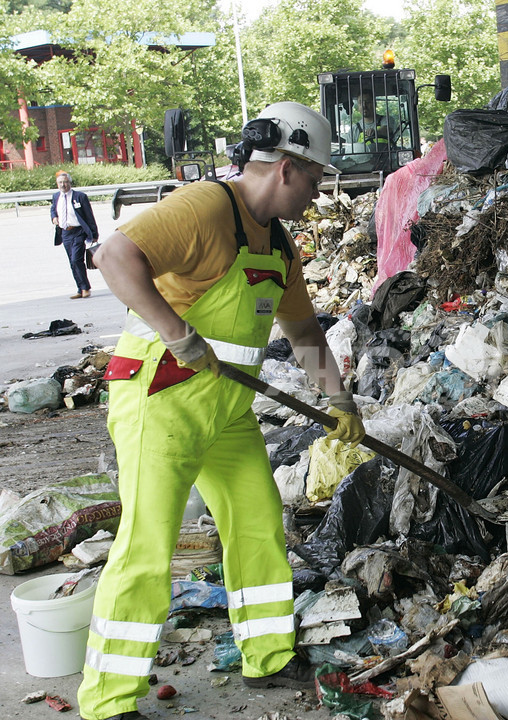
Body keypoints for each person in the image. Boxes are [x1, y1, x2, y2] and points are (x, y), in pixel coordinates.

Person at [77, 102, 365, 720]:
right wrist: (177, 332)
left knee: (258, 524)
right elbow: (113, 256)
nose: (316, 196)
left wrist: (338, 400)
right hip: (162, 397)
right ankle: (108, 699)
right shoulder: (206, 208)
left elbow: (305, 331)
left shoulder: (279, 246)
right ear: (285, 168)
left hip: (226, 410)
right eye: (314, 181)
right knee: (147, 545)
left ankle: (266, 655)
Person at [51, 171, 98, 299]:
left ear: (69, 183)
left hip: (78, 231)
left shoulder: (79, 196)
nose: (63, 185)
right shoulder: (56, 197)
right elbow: (53, 209)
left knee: (76, 259)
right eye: (60, 182)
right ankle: (80, 288)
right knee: (72, 262)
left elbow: (89, 216)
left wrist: (94, 234)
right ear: (57, 184)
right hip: (65, 233)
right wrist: (54, 217)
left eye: (65, 182)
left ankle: (85, 287)